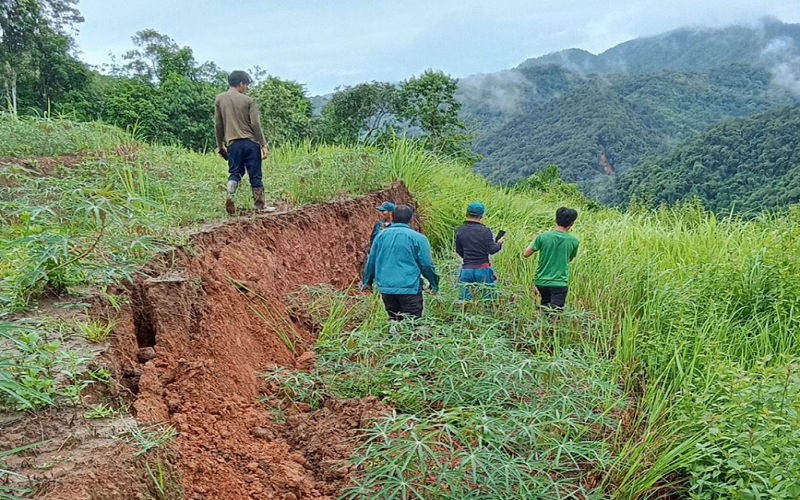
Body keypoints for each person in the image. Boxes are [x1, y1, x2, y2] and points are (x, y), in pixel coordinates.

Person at [361, 204, 440, 321]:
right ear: (410, 219)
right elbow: (426, 264)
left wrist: (367, 281)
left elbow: (371, 261)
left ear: (392, 216)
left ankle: (392, 337)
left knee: (394, 321)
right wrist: (433, 283)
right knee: (412, 324)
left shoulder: (380, 237)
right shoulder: (418, 238)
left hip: (386, 289)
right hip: (409, 288)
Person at [215, 70, 274, 215]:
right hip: (251, 143)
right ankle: (260, 205)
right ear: (241, 83)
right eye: (245, 84)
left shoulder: (220, 99)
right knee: (255, 174)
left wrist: (220, 144)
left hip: (233, 143)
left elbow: (218, 124)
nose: (245, 87)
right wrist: (263, 144)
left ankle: (230, 195)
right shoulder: (249, 101)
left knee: (235, 172)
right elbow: (255, 124)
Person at [523, 207, 579, 310]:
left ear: (555, 220)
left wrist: (535, 240)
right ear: (572, 223)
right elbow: (569, 259)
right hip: (559, 282)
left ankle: (542, 324)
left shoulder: (543, 237)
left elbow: (526, 254)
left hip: (541, 281)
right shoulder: (574, 241)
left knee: (545, 306)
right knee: (556, 313)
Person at [455, 201, 504, 301]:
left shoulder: (460, 230)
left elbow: (458, 250)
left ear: (466, 214)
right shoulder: (485, 231)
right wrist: (499, 243)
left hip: (466, 270)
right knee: (489, 300)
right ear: (482, 216)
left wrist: (468, 258)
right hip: (483, 269)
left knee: (463, 302)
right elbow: (492, 250)